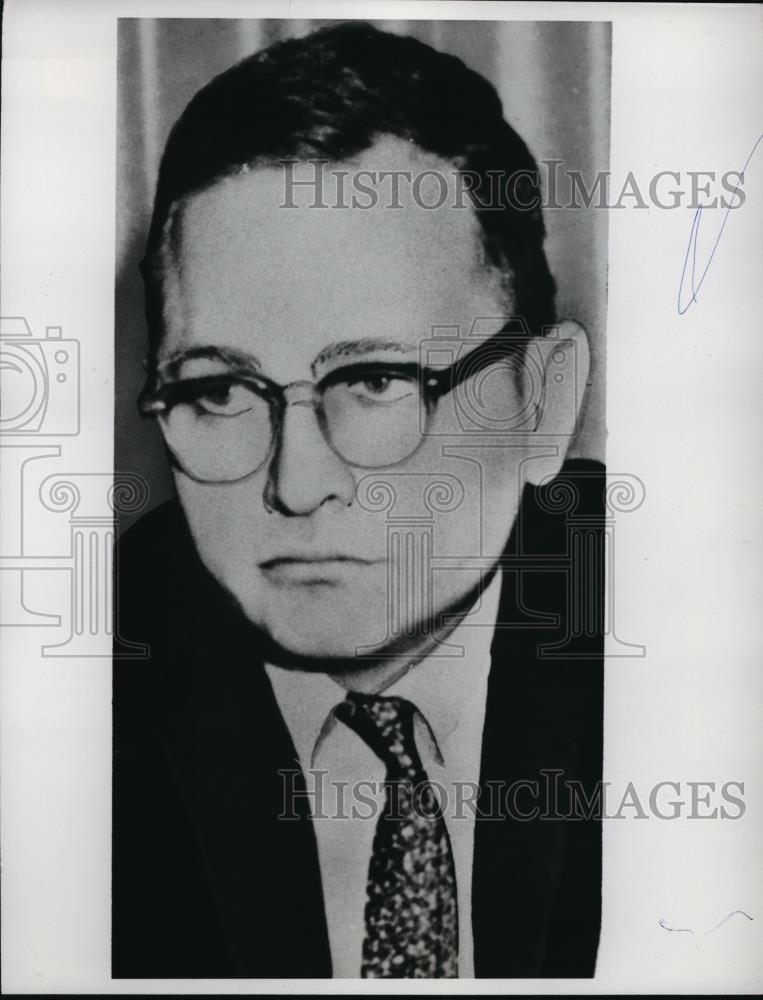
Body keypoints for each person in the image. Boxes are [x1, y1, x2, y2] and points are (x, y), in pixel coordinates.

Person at [113, 21, 604, 980]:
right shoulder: (74, 693)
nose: (297, 485)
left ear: (541, 403)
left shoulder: (702, 646)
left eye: (377, 380)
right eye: (217, 390)